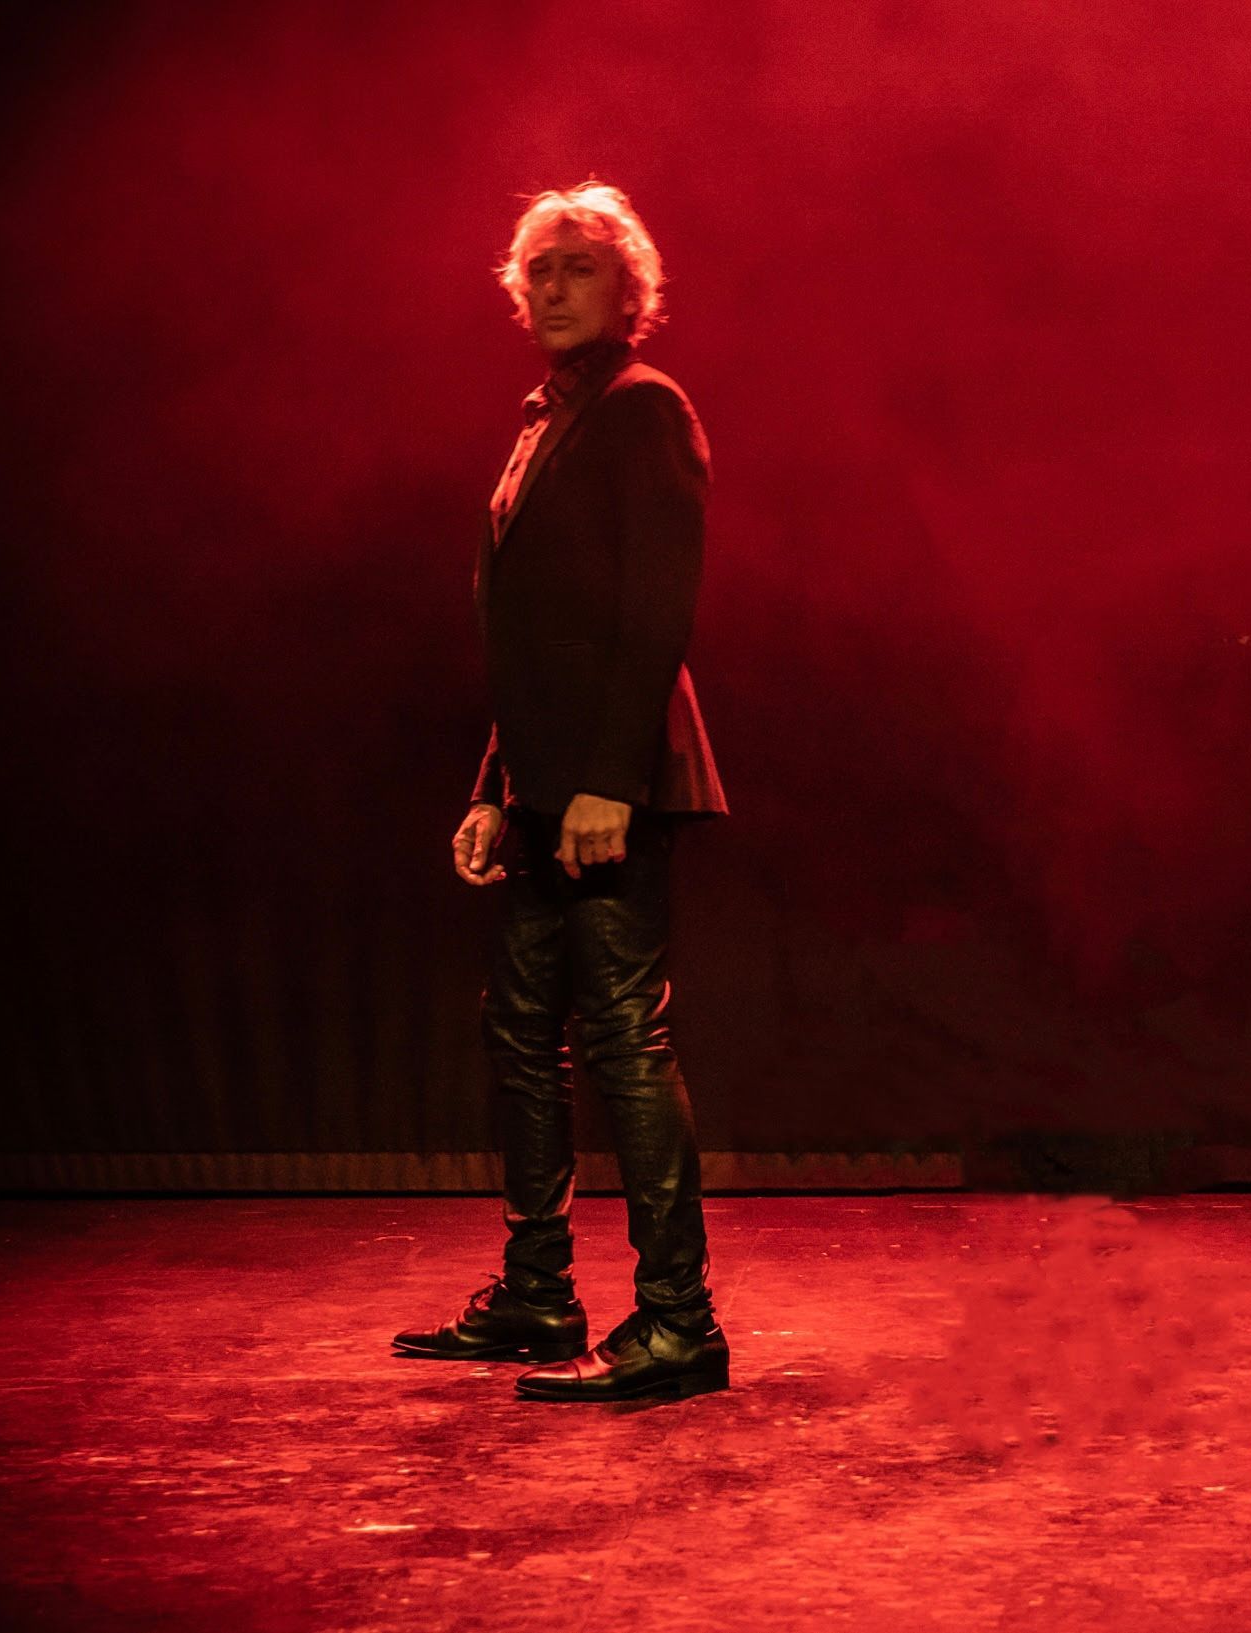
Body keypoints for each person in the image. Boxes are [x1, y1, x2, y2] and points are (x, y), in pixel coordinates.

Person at [391, 182, 730, 1402]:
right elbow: (533, 642)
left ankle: (680, 1322)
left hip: (607, 781)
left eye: (577, 267)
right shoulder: (544, 420)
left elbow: (653, 613)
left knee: (623, 1039)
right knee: (523, 1038)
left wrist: (608, 784)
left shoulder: (643, 408)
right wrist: (496, 785)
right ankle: (538, 1295)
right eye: (537, 270)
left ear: (629, 290)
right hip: (543, 782)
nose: (551, 288)